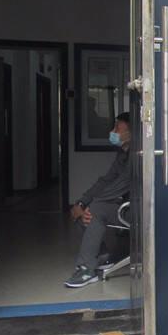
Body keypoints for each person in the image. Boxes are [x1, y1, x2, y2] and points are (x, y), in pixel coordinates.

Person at [64, 111, 132, 288]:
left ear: (132, 133)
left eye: (117, 128)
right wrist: (81, 203)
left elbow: (122, 185)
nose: (113, 131)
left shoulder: (137, 156)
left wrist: (90, 206)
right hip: (124, 206)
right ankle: (101, 257)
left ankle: (86, 269)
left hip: (138, 210)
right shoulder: (123, 154)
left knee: (94, 211)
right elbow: (106, 181)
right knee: (84, 212)